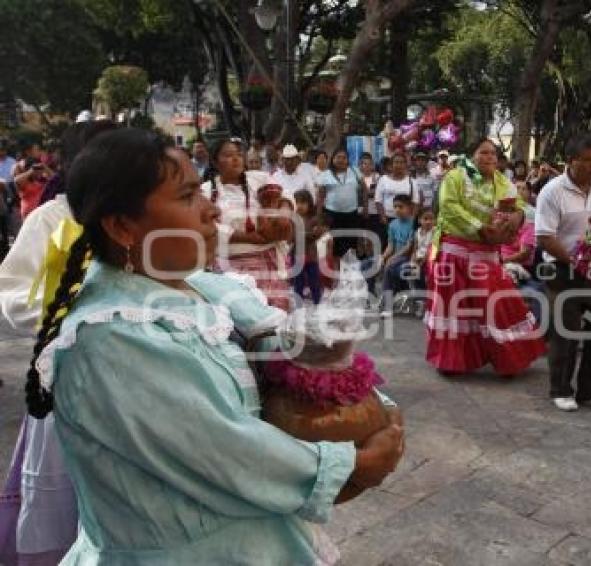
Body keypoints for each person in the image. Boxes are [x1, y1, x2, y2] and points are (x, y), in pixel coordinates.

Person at [16, 128, 403, 563]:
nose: (212, 210)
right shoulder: (112, 339)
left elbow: (276, 343)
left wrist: (353, 384)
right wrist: (351, 465)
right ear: (123, 226)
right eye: (186, 197)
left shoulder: (197, 288)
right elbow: (226, 453)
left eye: (201, 192)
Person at [0, 120, 116, 565]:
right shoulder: (52, 218)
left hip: (133, 382)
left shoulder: (147, 218)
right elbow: (11, 291)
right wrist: (73, 308)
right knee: (68, 498)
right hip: (67, 380)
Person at [427, 138, 545, 376]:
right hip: (454, 252)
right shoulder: (455, 177)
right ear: (472, 155)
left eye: (493, 153)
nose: (490, 157)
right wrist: (481, 228)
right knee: (455, 308)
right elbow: (449, 207)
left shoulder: (502, 181)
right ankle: (451, 362)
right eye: (484, 152)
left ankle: (511, 357)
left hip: (488, 254)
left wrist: (518, 216)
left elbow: (521, 206)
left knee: (499, 303)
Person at [535, 133, 591, 412]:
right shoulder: (552, 191)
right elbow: (545, 237)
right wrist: (574, 259)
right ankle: (561, 389)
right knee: (565, 332)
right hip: (562, 268)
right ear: (571, 161)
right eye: (587, 161)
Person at [202, 138, 290, 309]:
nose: (235, 159)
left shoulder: (259, 178)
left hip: (267, 263)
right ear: (215, 161)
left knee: (275, 315)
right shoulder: (205, 191)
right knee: (243, 319)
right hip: (229, 267)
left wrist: (284, 212)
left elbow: (285, 193)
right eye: (228, 155)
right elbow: (206, 226)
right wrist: (250, 238)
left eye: (238, 154)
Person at [316, 148, 367, 262]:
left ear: (348, 160)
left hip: (351, 215)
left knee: (351, 244)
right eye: (338, 157)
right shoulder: (325, 175)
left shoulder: (354, 171)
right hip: (332, 215)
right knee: (335, 245)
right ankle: (336, 274)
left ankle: (351, 274)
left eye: (344, 158)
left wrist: (365, 208)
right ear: (333, 159)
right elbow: (320, 198)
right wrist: (319, 219)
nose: (341, 160)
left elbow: (364, 189)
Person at [379, 194, 416, 317]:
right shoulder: (393, 224)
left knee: (390, 267)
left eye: (401, 207)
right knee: (368, 264)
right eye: (395, 207)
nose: (397, 210)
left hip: (410, 258)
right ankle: (373, 297)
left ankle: (387, 305)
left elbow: (408, 247)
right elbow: (390, 246)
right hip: (397, 258)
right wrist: (383, 257)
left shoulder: (414, 223)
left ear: (410, 207)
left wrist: (392, 258)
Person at [291, 189, 324, 305]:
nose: (300, 206)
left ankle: (318, 303)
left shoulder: (314, 219)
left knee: (314, 281)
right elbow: (291, 237)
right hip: (296, 255)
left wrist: (302, 236)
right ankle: (298, 305)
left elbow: (319, 233)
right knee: (298, 282)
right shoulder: (292, 219)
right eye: (297, 202)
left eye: (303, 203)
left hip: (311, 255)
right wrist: (308, 235)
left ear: (309, 204)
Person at [374, 153, 419, 238]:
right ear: (391, 165)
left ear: (405, 165)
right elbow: (378, 200)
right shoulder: (383, 179)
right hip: (388, 219)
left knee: (404, 245)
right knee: (387, 244)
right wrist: (382, 216)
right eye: (396, 162)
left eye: (402, 162)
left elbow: (415, 202)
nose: (399, 165)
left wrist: (412, 219)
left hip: (406, 220)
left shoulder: (412, 181)